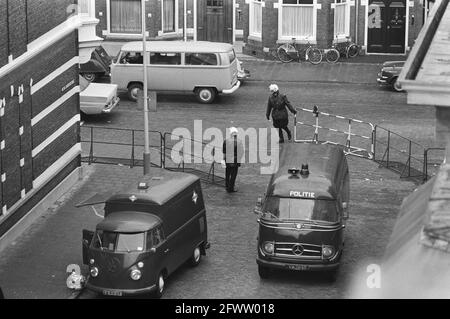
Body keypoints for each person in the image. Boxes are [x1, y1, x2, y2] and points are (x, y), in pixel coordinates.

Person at [222, 127, 244, 193]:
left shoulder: (226, 141)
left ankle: (227, 186)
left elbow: (224, 151)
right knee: (233, 175)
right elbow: (241, 152)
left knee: (227, 173)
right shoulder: (239, 142)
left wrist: (223, 159)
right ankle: (230, 188)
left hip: (227, 159)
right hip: (235, 160)